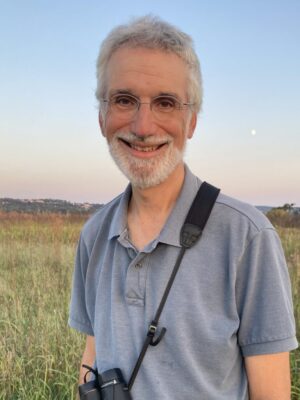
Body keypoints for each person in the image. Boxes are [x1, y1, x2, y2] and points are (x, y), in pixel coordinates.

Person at [69, 15, 298, 399]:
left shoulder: (248, 237)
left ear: (191, 120)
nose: (143, 126)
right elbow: (92, 354)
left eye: (165, 102)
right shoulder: (93, 235)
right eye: (124, 100)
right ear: (101, 116)